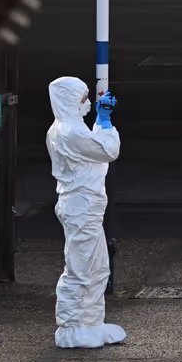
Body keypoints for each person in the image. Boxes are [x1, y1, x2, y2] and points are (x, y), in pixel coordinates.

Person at [46, 76, 126, 348]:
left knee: (98, 267)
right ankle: (70, 327)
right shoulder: (70, 132)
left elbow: (91, 148)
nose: (88, 103)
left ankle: (91, 322)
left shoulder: (68, 129)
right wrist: (105, 122)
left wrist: (100, 123)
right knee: (80, 268)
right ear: (70, 100)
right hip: (80, 206)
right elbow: (106, 150)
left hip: (87, 206)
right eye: (83, 99)